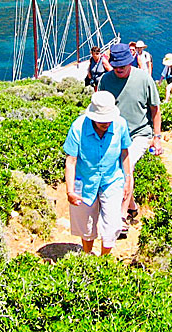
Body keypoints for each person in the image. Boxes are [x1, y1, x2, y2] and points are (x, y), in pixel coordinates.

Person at [98, 43, 162, 232]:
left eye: (122, 66)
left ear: (130, 61)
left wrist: (157, 137)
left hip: (140, 133)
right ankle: (133, 207)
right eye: (115, 66)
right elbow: (100, 108)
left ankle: (121, 215)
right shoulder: (105, 80)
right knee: (114, 170)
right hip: (114, 134)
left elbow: (155, 109)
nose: (118, 69)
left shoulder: (144, 79)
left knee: (127, 166)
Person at [63, 90, 132, 255]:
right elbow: (71, 161)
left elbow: (124, 153)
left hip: (112, 179)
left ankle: (103, 260)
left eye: (109, 120)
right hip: (85, 179)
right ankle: (87, 255)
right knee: (86, 223)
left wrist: (128, 179)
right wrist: (70, 191)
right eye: (102, 120)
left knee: (112, 224)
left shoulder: (121, 124)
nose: (106, 123)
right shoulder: (78, 127)